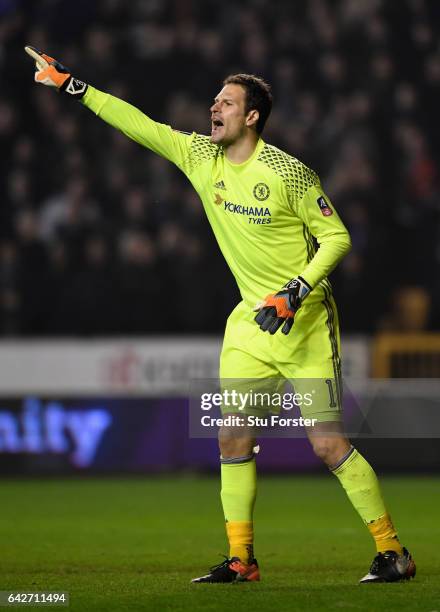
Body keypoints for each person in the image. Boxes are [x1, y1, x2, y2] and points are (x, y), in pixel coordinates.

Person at [25, 46, 416, 584]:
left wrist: (296, 290)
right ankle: (242, 560)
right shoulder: (200, 157)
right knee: (231, 437)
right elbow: (139, 125)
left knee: (327, 444)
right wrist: (74, 86)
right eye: (215, 101)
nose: (215, 108)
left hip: (305, 325)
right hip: (250, 328)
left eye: (227, 103)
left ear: (251, 116)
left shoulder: (288, 173)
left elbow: (337, 236)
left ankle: (393, 552)